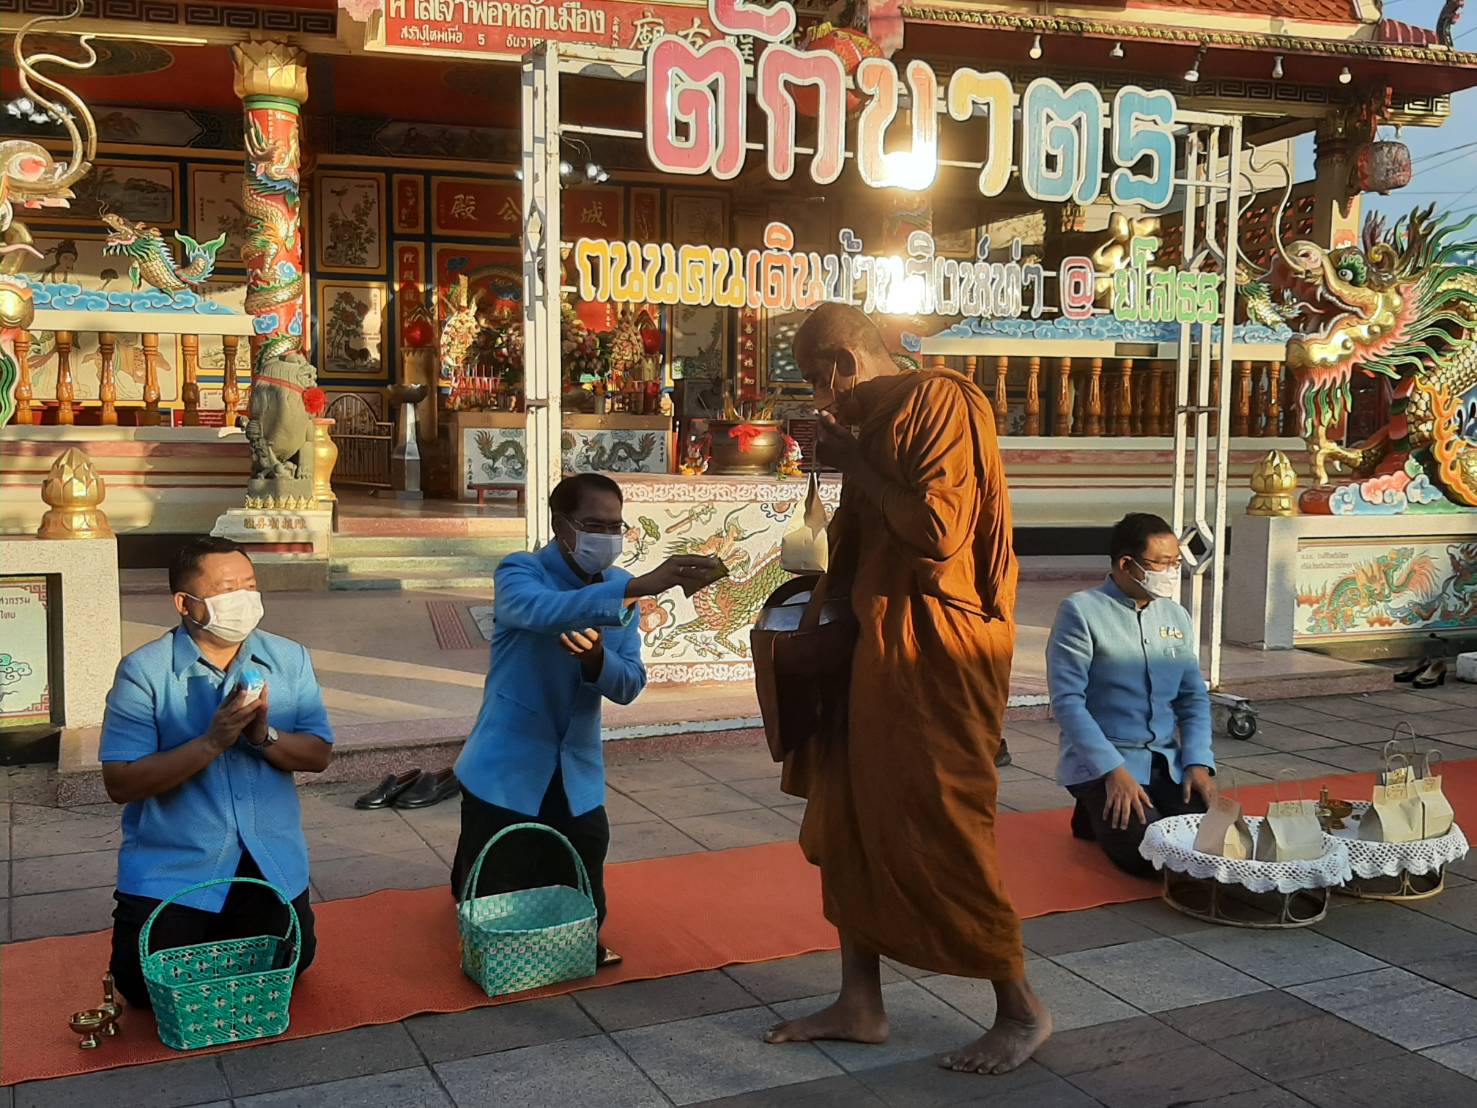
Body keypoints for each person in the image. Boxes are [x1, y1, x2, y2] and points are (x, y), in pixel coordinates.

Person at [766, 303, 1051, 1075]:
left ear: (841, 367)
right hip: (874, 645)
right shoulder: (877, 420)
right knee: (846, 813)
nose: (823, 403)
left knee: (942, 819)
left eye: (817, 385)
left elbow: (937, 533)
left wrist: (853, 461)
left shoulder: (939, 402)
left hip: (936, 651)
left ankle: (1020, 1009)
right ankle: (859, 1000)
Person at [451, 473, 716, 966]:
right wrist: (638, 587)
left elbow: (630, 683)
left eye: (616, 526)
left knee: (582, 875)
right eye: (595, 524)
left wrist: (597, 663)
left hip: (576, 764)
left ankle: (572, 943)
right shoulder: (520, 572)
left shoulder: (619, 586)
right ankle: (494, 944)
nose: (608, 537)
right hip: (506, 762)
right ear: (561, 524)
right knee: (494, 887)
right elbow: (537, 609)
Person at [101, 536, 333, 1008]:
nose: (244, 600)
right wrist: (210, 742)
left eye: (250, 585)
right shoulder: (143, 672)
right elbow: (120, 782)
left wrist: (263, 738)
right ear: (186, 604)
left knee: (292, 964)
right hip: (178, 868)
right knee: (143, 988)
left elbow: (317, 754)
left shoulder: (289, 659)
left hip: (268, 863)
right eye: (228, 590)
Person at [1046, 513, 1217, 877]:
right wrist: (1112, 771)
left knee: (1209, 843)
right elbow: (1067, 702)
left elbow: (1192, 698)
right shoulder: (1080, 612)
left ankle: (1095, 817)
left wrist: (1198, 762)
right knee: (1154, 858)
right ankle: (1095, 802)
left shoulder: (1176, 615)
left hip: (1164, 760)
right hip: (1108, 762)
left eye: (1176, 562)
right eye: (1162, 564)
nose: (1172, 572)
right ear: (1127, 564)